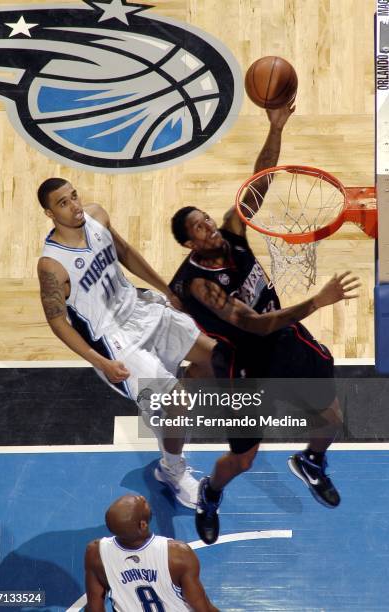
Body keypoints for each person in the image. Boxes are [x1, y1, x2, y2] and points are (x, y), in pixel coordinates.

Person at [169, 103, 360, 543]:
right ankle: (209, 493)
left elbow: (259, 181)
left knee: (330, 418)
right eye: (199, 228)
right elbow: (253, 326)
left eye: (208, 221)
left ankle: (310, 461)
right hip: (244, 367)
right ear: (187, 243)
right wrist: (318, 301)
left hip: (286, 343)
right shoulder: (200, 285)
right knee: (242, 460)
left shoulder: (233, 238)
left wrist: (275, 127)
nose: (210, 228)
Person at [37, 180, 216, 509]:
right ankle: (172, 471)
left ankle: (165, 408)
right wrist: (100, 362)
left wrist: (168, 289)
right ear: (50, 213)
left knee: (211, 358)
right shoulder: (52, 265)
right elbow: (57, 322)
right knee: (178, 401)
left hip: (140, 308)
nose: (75, 205)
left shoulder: (97, 217)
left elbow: (126, 253)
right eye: (63, 203)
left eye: (74, 195)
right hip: (115, 341)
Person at [84, 494, 219, 611]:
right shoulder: (177, 554)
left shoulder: (96, 553)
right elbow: (201, 607)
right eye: (142, 502)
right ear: (143, 525)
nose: (143, 498)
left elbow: (94, 607)